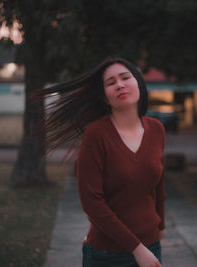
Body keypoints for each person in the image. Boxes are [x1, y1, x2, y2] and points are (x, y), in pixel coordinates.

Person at [38, 58, 166, 267]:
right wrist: (137, 249)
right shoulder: (96, 134)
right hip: (108, 254)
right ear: (105, 98)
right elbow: (92, 202)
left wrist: (161, 225)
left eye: (125, 78)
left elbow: (158, 183)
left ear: (139, 84)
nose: (120, 84)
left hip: (151, 246)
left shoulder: (157, 129)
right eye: (111, 82)